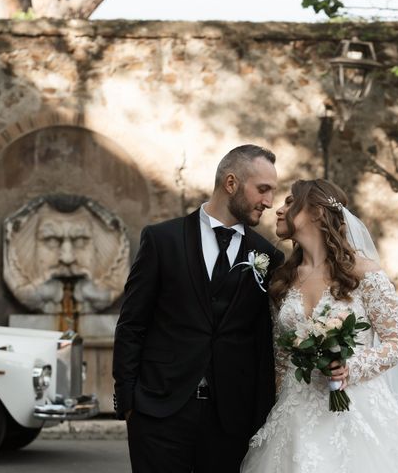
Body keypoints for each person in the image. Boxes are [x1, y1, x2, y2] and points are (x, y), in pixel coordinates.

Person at [241, 178, 398, 473]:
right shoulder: (282, 280)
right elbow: (282, 358)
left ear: (317, 212)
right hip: (294, 415)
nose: (278, 210)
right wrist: (280, 407)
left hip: (356, 409)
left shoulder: (364, 273)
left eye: (290, 202)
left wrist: (350, 368)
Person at [113, 144, 285, 472]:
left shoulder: (267, 257)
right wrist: (128, 401)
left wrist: (259, 415)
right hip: (158, 411)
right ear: (231, 183)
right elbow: (132, 323)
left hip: (230, 420)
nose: (269, 202)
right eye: (263, 189)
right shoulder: (163, 240)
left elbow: (262, 344)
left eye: (272, 192)